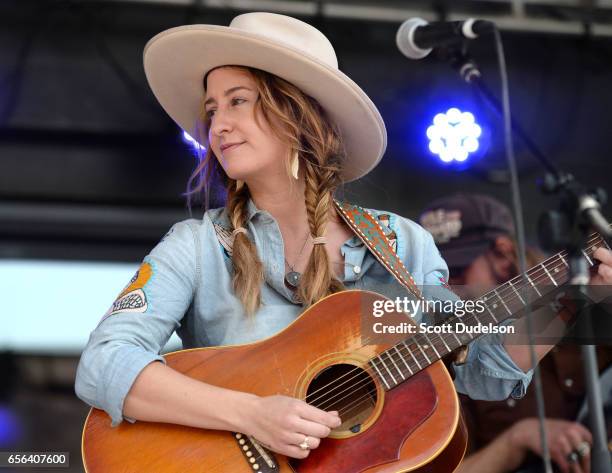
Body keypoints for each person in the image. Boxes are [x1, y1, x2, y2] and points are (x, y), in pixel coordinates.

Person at [74, 12, 612, 462]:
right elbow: (104, 363)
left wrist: (572, 301)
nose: (216, 125)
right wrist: (253, 415)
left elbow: (483, 370)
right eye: (211, 108)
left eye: (237, 101)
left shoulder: (400, 244)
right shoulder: (197, 245)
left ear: (298, 113)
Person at [419, 193, 612, 473]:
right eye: (436, 278)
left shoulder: (586, 293)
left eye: (456, 271)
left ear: (502, 252)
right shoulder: (443, 346)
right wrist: (518, 439)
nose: (446, 288)